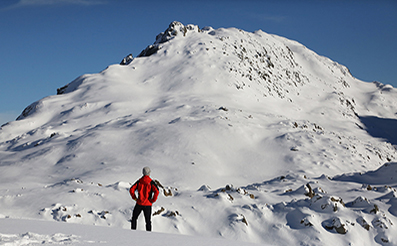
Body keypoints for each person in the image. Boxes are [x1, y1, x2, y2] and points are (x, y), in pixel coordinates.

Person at [129, 166, 159, 231]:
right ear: (149, 173)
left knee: (134, 218)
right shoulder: (151, 182)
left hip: (139, 203)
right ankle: (148, 235)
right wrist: (153, 200)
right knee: (148, 221)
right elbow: (157, 191)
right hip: (148, 204)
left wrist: (135, 198)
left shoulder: (139, 181)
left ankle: (133, 232)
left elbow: (131, 189)